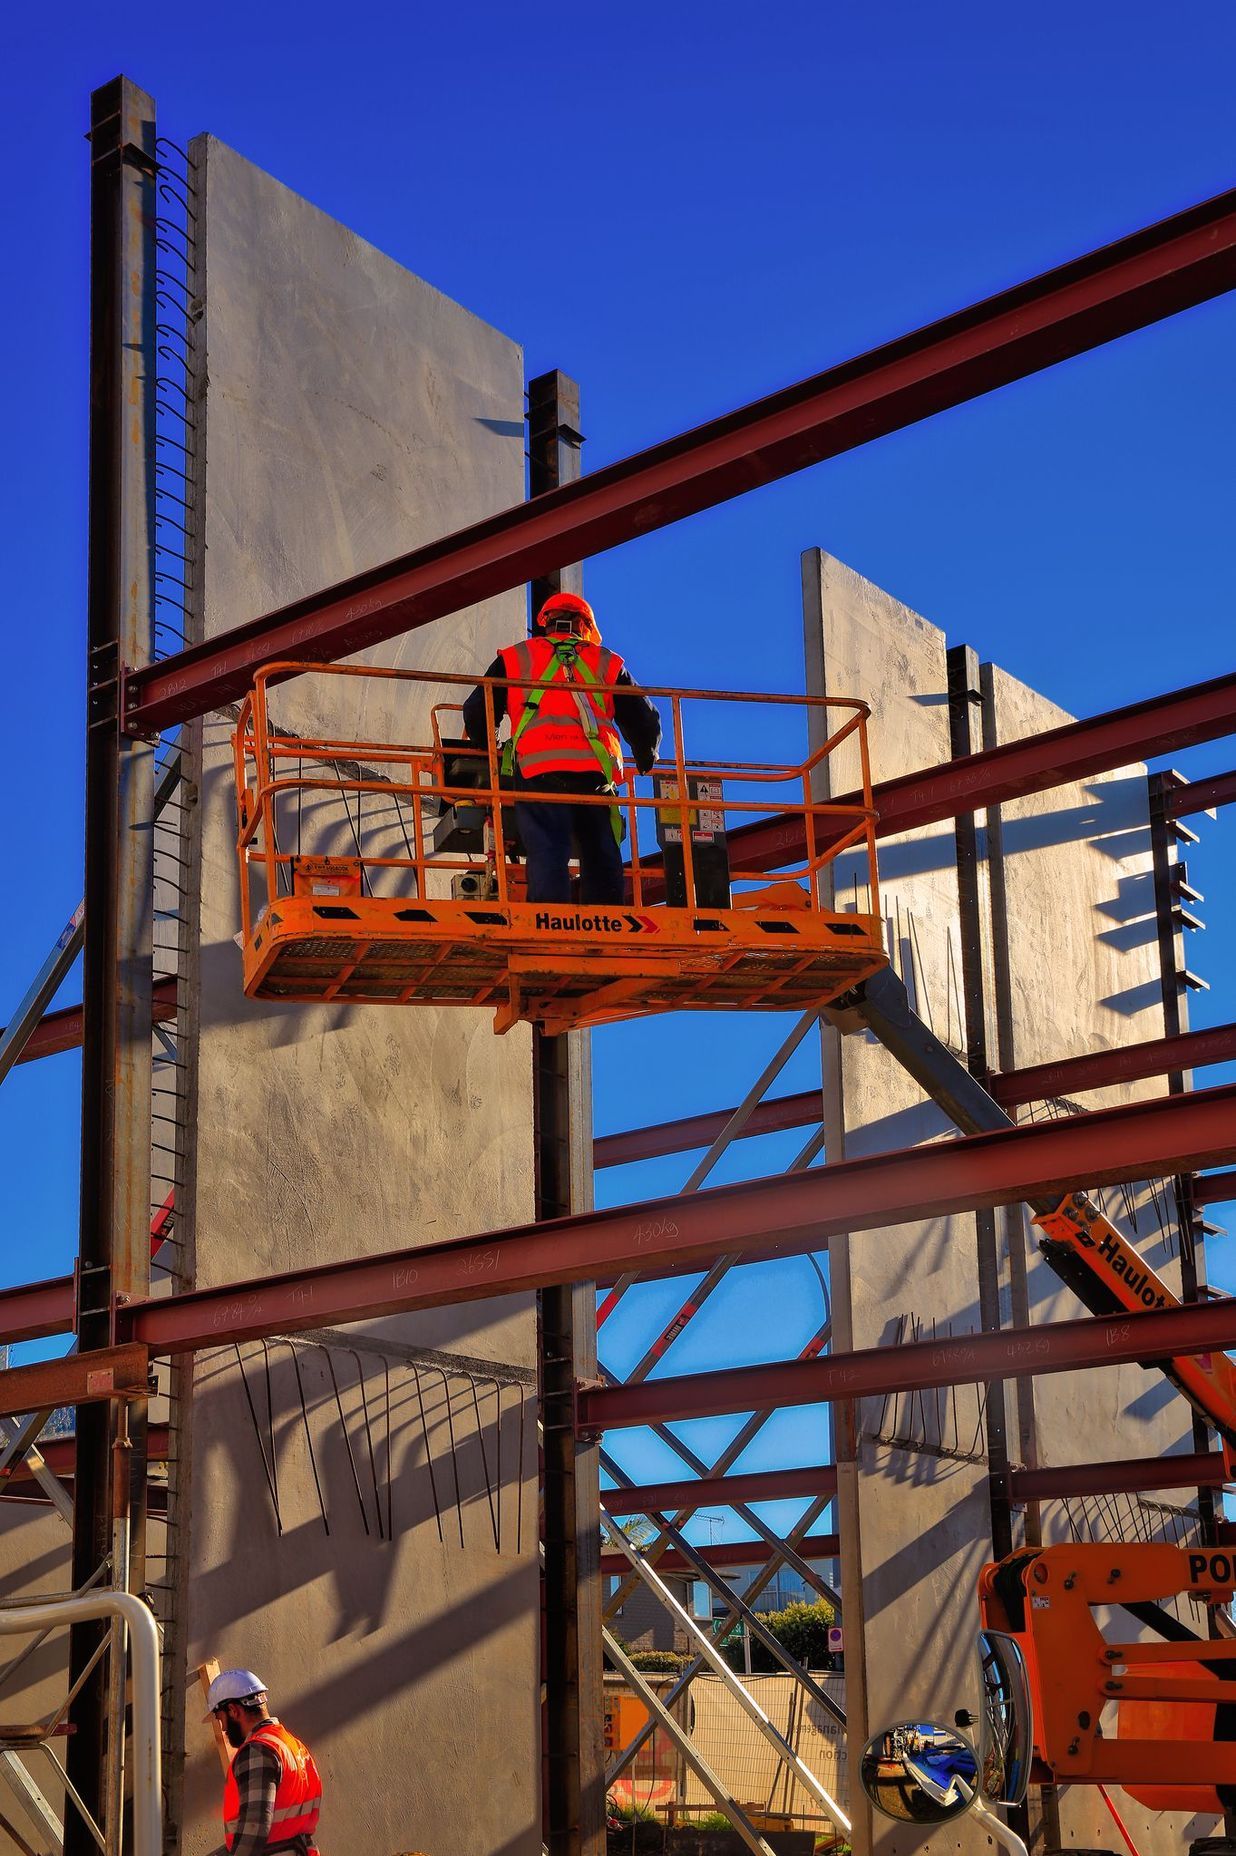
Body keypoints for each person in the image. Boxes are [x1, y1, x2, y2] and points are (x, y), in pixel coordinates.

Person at [462, 591, 661, 905]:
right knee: (600, 847)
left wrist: (486, 748)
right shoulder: (605, 661)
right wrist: (646, 755)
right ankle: (606, 917)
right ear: (584, 627)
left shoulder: (516, 657)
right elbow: (643, 716)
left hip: (539, 769)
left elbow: (477, 708)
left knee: (547, 846)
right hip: (594, 774)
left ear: (547, 623)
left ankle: (548, 916)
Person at [206, 1668, 322, 1856]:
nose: (223, 1729)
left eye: (221, 1719)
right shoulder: (293, 1746)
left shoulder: (257, 1751)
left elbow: (253, 1832)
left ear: (233, 1710)